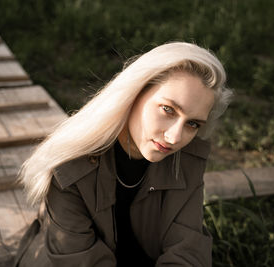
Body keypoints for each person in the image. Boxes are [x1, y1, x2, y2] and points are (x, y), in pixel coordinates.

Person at [14, 42, 233, 267]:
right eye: (168, 109)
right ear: (134, 93)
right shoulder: (68, 168)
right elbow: (78, 260)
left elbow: (188, 251)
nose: (175, 137)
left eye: (193, 123)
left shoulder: (186, 157)